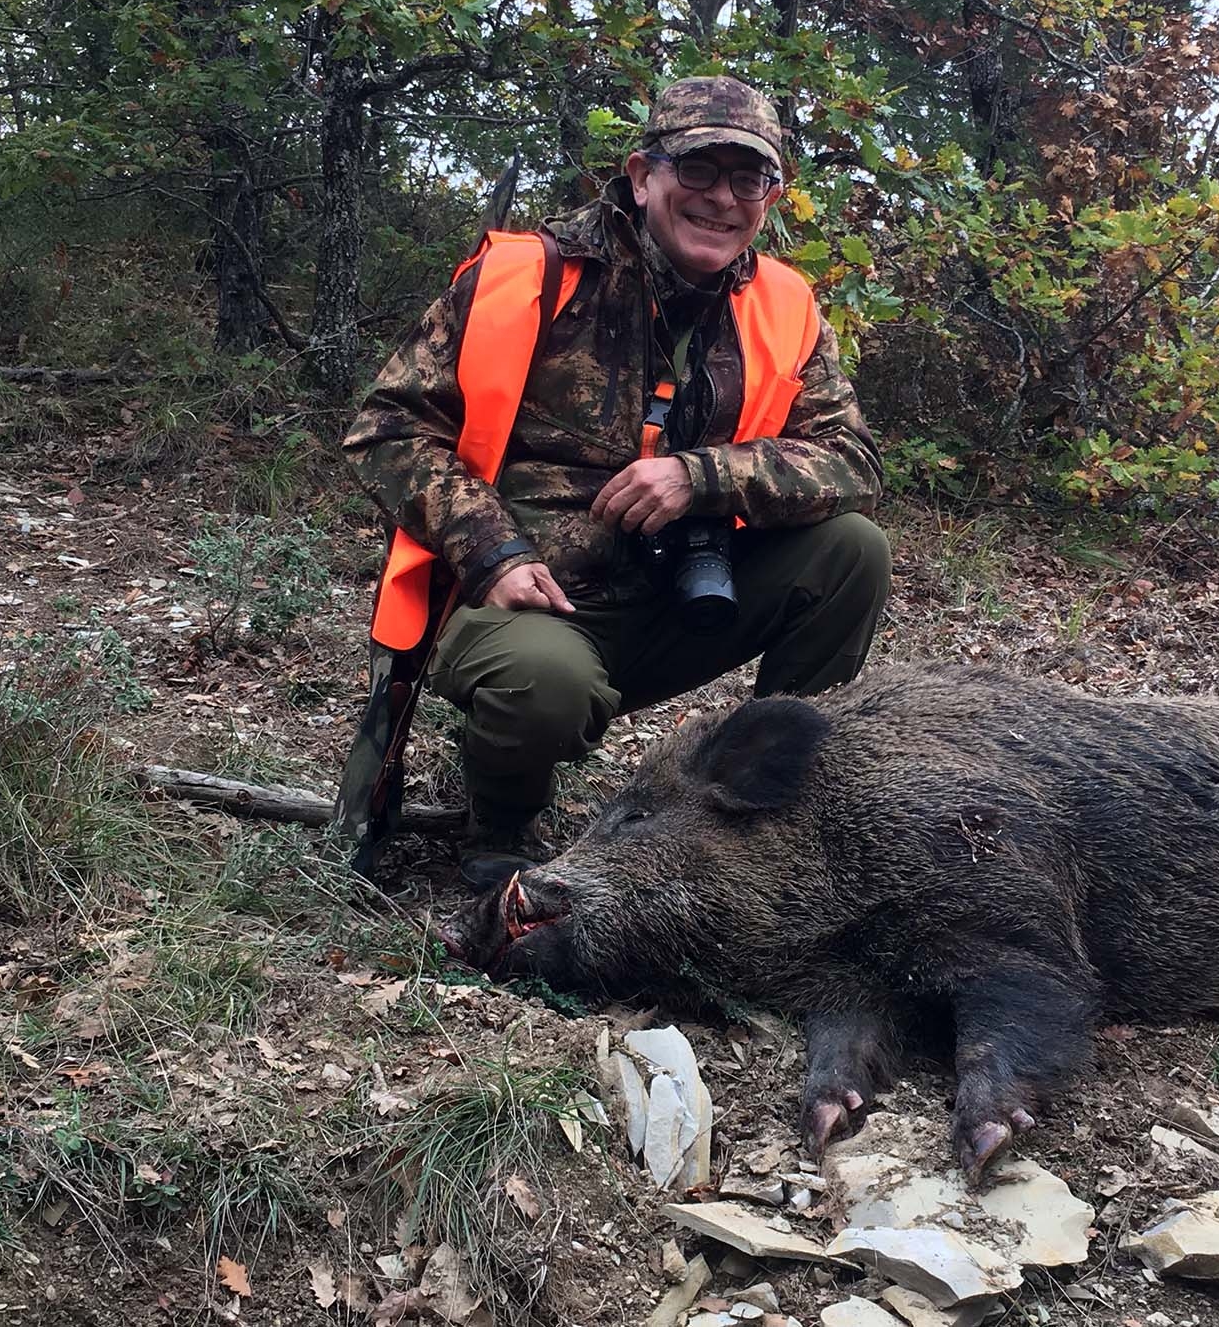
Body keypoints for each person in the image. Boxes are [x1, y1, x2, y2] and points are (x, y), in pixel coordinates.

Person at [341, 75, 890, 888]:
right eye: (698, 170)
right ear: (642, 175)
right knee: (544, 683)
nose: (722, 199)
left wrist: (703, 476)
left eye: (749, 179)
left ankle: (773, 811)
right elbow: (386, 429)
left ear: (771, 196)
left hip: (682, 600)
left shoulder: (786, 305)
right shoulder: (526, 280)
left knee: (853, 549)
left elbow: (852, 459)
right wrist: (490, 551)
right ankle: (501, 825)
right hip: (528, 604)